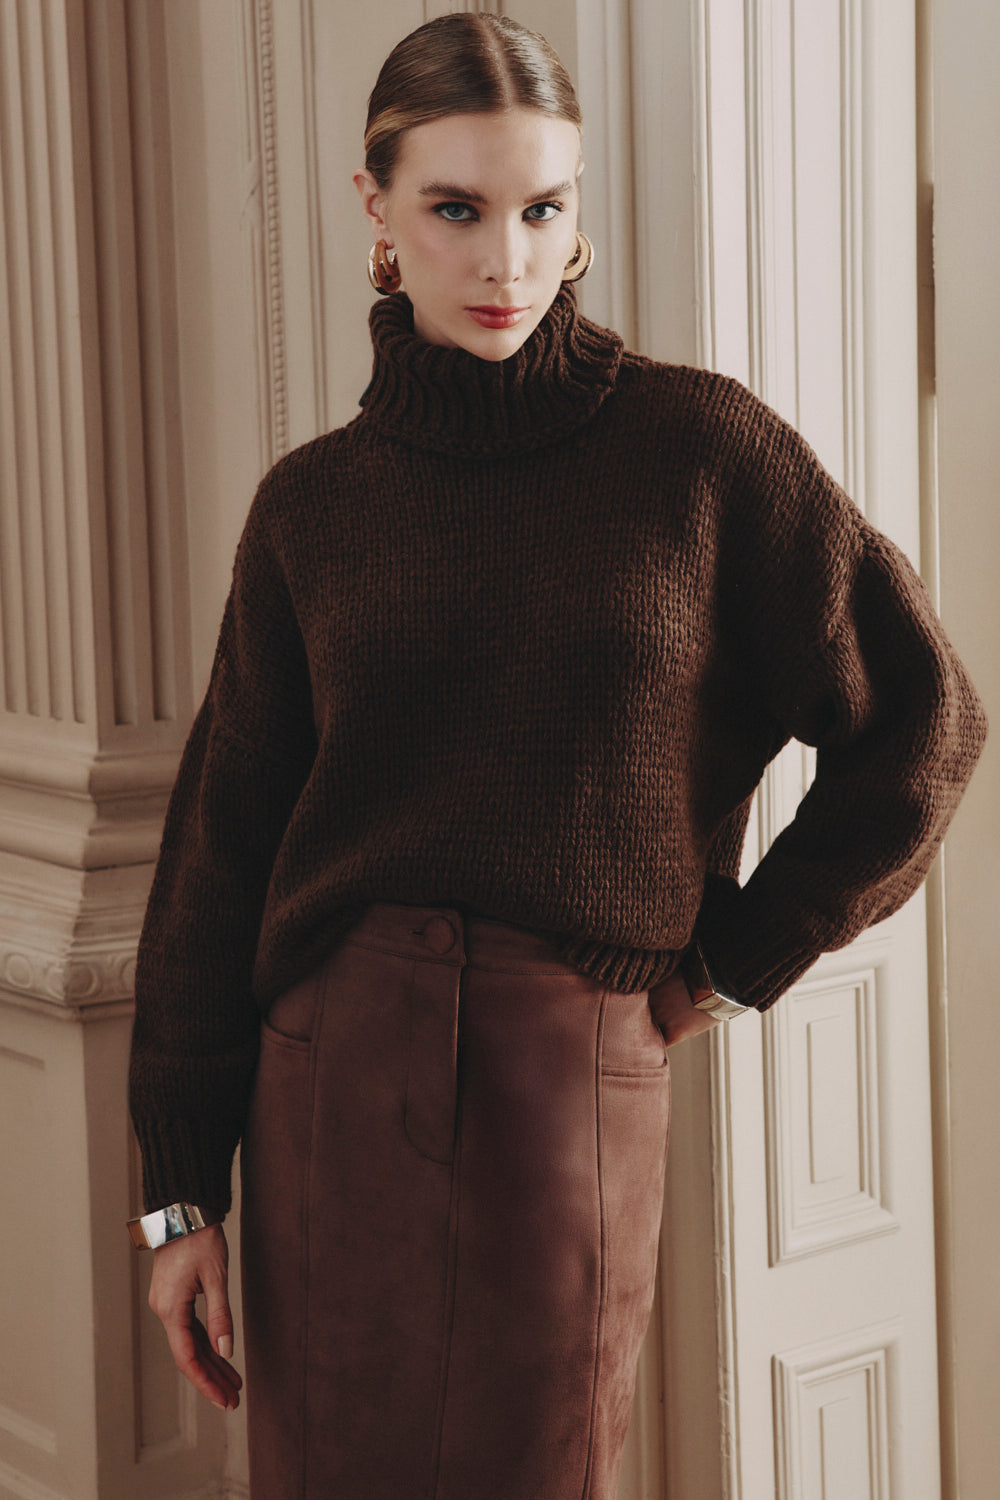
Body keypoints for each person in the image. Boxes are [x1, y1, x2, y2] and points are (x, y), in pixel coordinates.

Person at [127, 12, 986, 1500]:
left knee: (543, 1466)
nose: (506, 261)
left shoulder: (702, 455)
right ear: (375, 208)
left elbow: (927, 720)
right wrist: (179, 1197)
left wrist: (739, 958)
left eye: (542, 208)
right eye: (456, 209)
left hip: (570, 1065)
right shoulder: (311, 508)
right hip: (326, 1070)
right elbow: (222, 848)